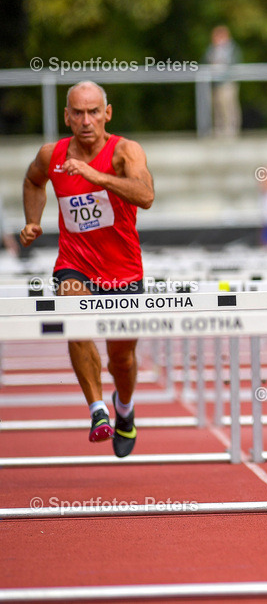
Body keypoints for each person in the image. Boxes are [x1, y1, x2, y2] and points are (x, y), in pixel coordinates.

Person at [20, 81, 154, 457]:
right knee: (74, 316)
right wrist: (33, 220)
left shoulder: (125, 151)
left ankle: (123, 410)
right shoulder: (53, 155)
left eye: (94, 111)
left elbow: (146, 196)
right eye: (77, 112)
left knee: (121, 360)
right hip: (75, 264)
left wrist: (99, 178)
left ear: (107, 114)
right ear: (66, 116)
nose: (86, 120)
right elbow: (33, 180)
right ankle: (98, 410)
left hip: (123, 271)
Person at [204, 25, 242, 138]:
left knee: (229, 105)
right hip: (215, 82)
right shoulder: (212, 49)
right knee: (217, 106)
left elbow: (235, 63)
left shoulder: (232, 48)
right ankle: (219, 130)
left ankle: (231, 130)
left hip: (228, 82)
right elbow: (206, 61)